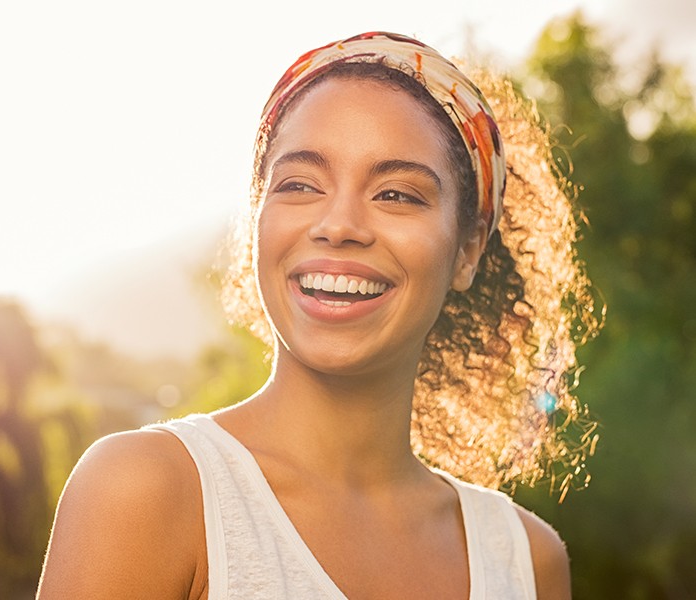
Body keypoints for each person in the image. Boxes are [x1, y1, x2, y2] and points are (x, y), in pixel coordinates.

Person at [37, 31, 599, 599]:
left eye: (397, 194)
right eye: (300, 184)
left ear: (468, 250)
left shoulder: (527, 560)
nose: (338, 225)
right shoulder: (147, 490)